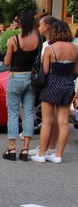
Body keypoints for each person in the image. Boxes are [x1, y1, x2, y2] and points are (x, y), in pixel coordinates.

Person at [31, 20, 78, 163]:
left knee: (47, 121)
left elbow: (44, 71)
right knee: (63, 122)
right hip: (68, 85)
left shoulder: (50, 49)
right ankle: (58, 155)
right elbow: (76, 70)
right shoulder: (75, 49)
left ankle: (41, 154)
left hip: (51, 85)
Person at [2, 8, 40, 161]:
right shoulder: (38, 38)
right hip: (31, 78)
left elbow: (6, 62)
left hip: (16, 77)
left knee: (13, 114)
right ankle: (25, 149)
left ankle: (11, 149)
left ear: (21, 22)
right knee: (29, 112)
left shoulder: (14, 40)